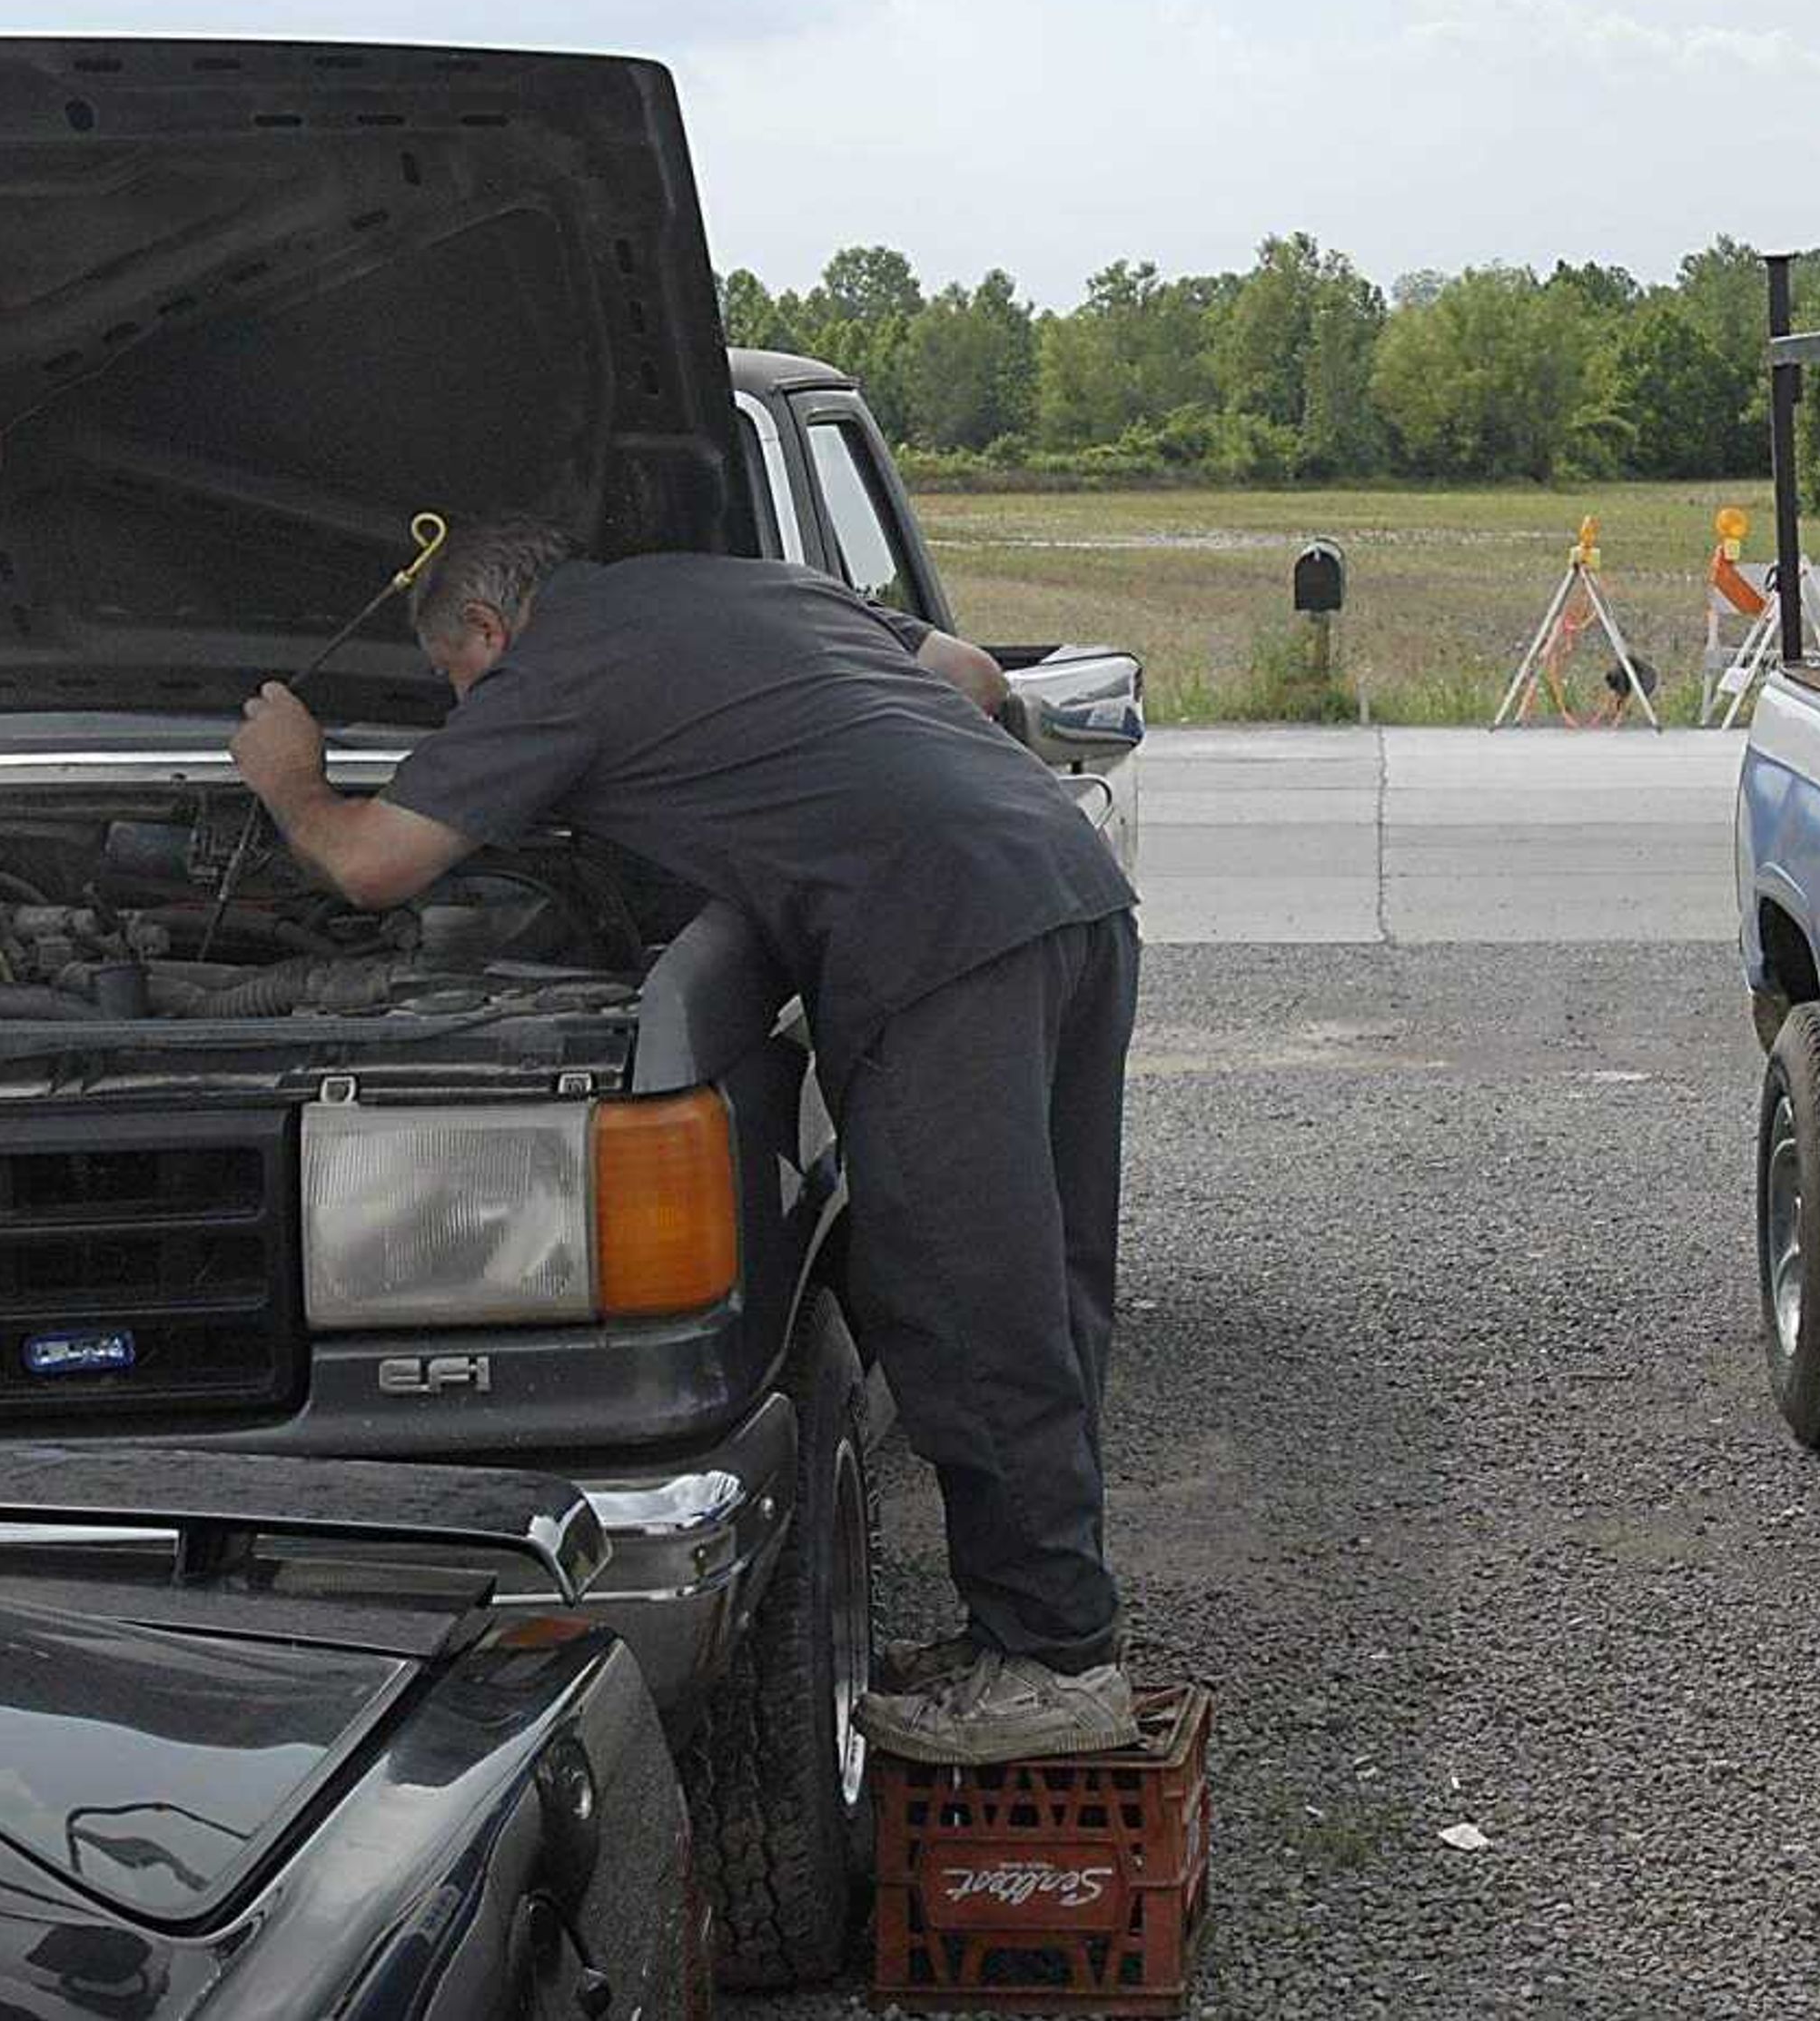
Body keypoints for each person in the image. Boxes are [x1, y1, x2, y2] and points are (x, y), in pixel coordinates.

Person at [226, 514, 1141, 1766]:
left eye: (454, 686)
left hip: (939, 940)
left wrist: (293, 781)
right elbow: (971, 678)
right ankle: (1027, 1631)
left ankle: (1057, 1664)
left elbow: (376, 864)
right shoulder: (741, 583)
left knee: (962, 1294)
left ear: (487, 631)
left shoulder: (553, 667)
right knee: (1043, 1288)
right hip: (1063, 886)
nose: (467, 714)